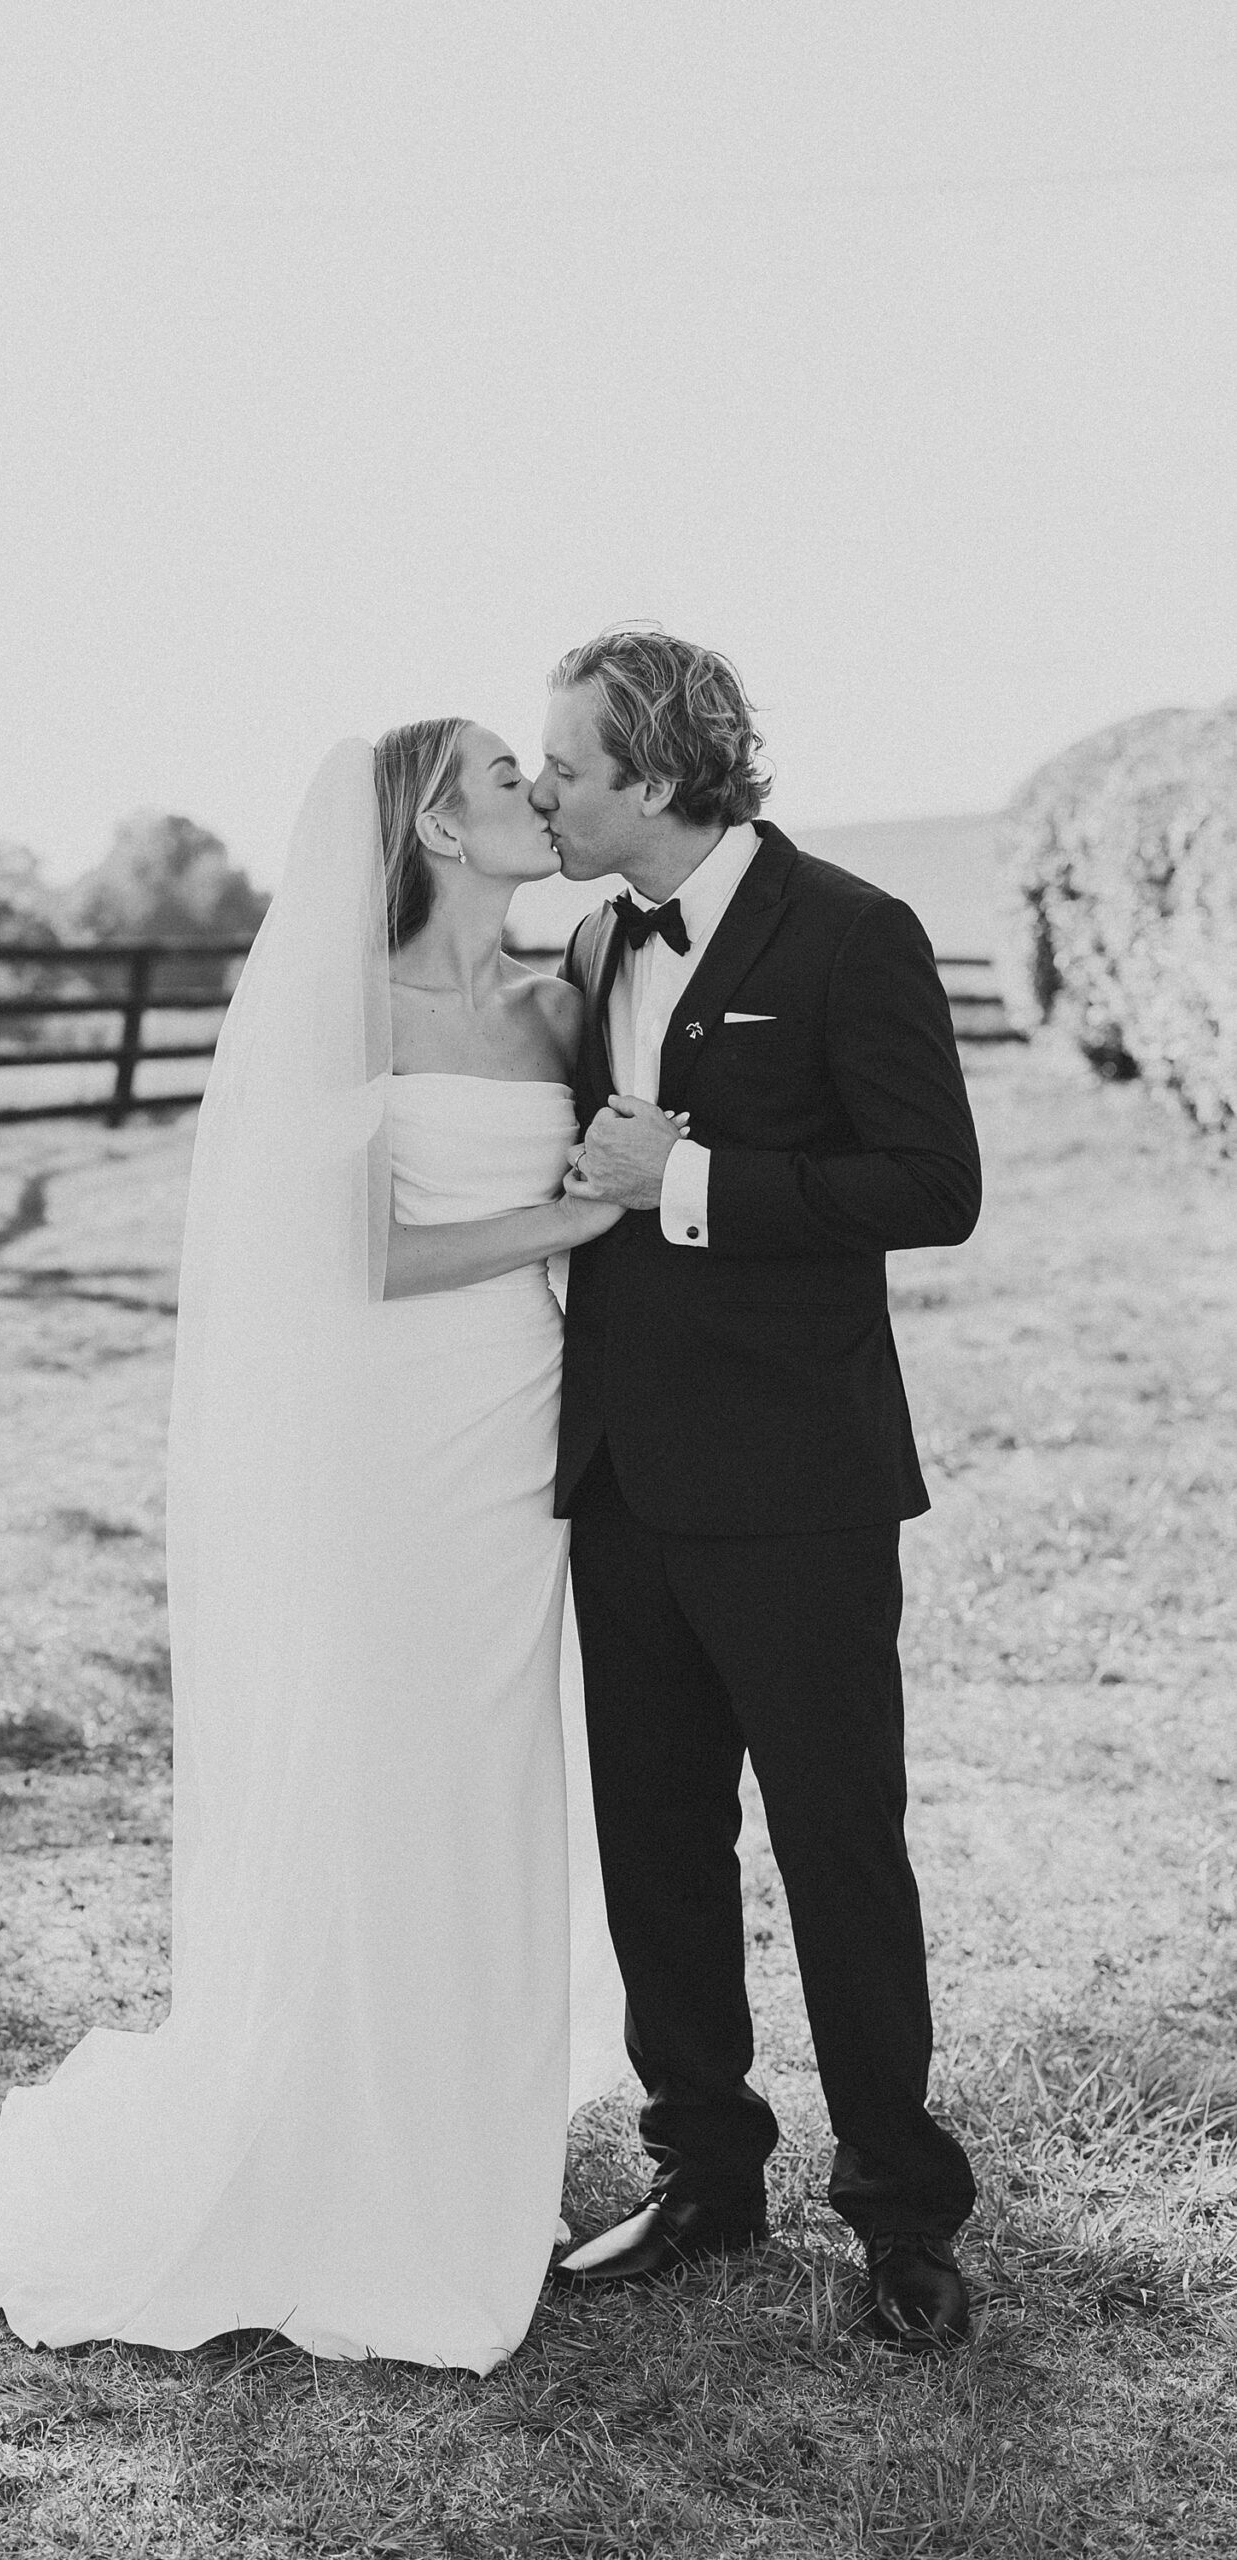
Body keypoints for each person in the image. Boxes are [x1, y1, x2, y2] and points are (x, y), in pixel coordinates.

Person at [0, 724, 629, 2373]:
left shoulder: (560, 1000)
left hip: (525, 1430)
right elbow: (360, 1256)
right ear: (432, 821)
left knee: (494, 1772)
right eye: (500, 774)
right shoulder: (346, 1007)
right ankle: (334, 2139)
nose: (534, 793)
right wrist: (579, 1217)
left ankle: (470, 2132)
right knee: (377, 1763)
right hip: (393, 1439)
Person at [534, 626, 982, 2353]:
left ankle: (900, 2211)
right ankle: (705, 2173)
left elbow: (930, 1183)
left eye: (564, 764)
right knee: (655, 1843)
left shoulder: (854, 931)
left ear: (651, 772)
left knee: (837, 1844)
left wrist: (689, 1176)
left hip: (798, 1483)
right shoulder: (587, 936)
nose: (549, 789)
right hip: (622, 1480)